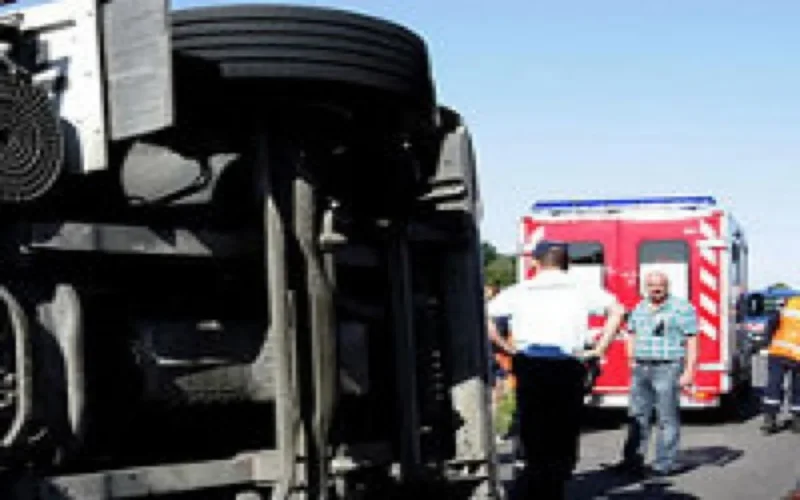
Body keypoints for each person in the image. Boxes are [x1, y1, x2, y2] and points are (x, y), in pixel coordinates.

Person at [488, 241, 625, 500]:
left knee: (533, 423)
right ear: (566, 263)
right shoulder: (581, 289)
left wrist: (506, 347)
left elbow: (488, 317)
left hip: (531, 363)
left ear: (535, 263)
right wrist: (599, 348)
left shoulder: (520, 290)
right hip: (566, 364)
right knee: (564, 424)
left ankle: (535, 476)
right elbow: (618, 311)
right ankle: (557, 477)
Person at [612, 271, 698, 477]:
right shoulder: (640, 307)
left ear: (667, 286)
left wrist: (689, 370)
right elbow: (630, 333)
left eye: (659, 285)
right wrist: (631, 358)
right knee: (637, 416)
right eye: (651, 285)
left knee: (666, 418)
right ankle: (632, 461)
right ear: (645, 287)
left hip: (668, 367)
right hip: (641, 368)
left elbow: (692, 340)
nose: (655, 289)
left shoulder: (682, 308)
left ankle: (663, 465)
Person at [760, 295, 800, 434]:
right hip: (797, 356)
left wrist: (766, 343)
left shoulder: (788, 306)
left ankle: (769, 420)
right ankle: (797, 421)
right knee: (798, 388)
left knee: (774, 384)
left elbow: (772, 323)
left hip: (779, 352)